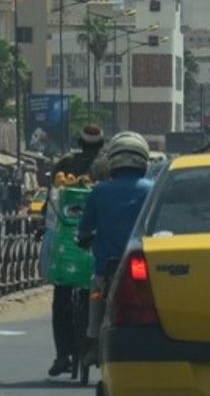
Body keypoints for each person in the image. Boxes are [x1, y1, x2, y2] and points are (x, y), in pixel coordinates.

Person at [76, 132, 153, 363]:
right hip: (142, 265)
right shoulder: (152, 189)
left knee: (96, 290)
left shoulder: (100, 190)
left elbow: (85, 227)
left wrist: (84, 238)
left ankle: (92, 339)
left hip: (106, 265)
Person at [45, 124, 104, 377]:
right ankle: (95, 346)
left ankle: (62, 355)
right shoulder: (106, 166)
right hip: (96, 244)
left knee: (61, 300)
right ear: (101, 145)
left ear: (80, 142)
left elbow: (51, 201)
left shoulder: (66, 163)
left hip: (68, 243)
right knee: (102, 296)